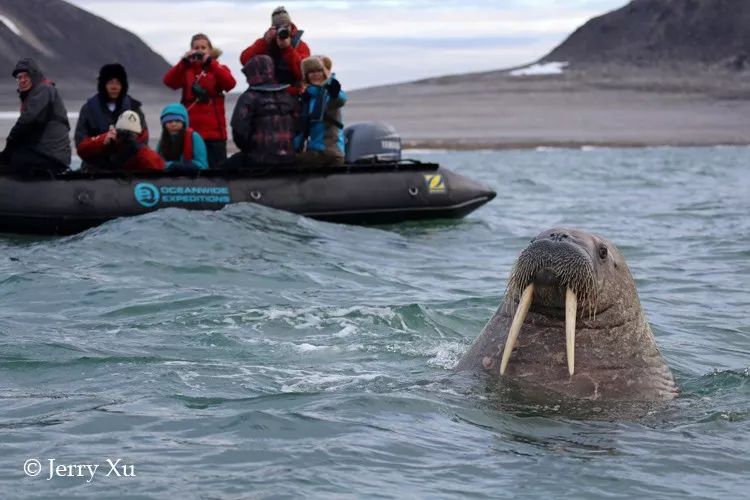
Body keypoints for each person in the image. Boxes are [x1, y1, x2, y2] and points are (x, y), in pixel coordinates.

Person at [163, 33, 236, 167]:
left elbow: (230, 84)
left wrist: (211, 63)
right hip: (191, 133)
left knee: (217, 172)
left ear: (210, 50)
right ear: (191, 50)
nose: (200, 50)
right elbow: (169, 82)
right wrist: (183, 62)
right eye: (196, 48)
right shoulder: (186, 71)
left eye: (203, 47)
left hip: (215, 134)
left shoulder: (218, 69)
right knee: (192, 170)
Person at [0, 58, 70, 175]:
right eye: (19, 77)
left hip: (50, 155)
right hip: (42, 152)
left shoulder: (44, 89)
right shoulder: (33, 95)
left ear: (35, 76)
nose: (22, 80)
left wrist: (10, 143)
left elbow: (27, 121)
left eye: (26, 76)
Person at [227, 55, 298, 167]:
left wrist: (250, 149)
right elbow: (298, 125)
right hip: (289, 157)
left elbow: (239, 130)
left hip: (258, 159)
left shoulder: (248, 97)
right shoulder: (287, 96)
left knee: (224, 167)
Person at [75, 63, 149, 172]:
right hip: (94, 170)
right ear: (103, 85)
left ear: (124, 85)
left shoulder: (134, 108)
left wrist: (125, 142)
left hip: (127, 170)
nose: (114, 87)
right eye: (110, 83)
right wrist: (102, 141)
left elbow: (143, 140)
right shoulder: (89, 109)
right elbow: (81, 144)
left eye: (118, 83)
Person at [239, 5, 310, 96]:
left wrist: (288, 49)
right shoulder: (265, 42)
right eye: (278, 27)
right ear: (273, 28)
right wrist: (264, 42)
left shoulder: (300, 46)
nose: (282, 30)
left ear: (291, 25)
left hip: (292, 92)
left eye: (286, 26)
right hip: (266, 92)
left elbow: (302, 72)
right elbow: (244, 60)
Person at [295, 56, 347, 167]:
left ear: (324, 72)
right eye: (310, 72)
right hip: (315, 151)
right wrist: (294, 148)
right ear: (306, 76)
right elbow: (302, 129)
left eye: (318, 71)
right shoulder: (307, 99)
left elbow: (340, 99)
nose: (315, 74)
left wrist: (331, 84)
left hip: (331, 152)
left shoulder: (330, 93)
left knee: (293, 161)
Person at [82, 110, 164, 172]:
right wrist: (102, 140)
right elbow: (83, 150)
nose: (126, 138)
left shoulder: (145, 155)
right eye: (122, 132)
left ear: (138, 134)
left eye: (130, 134)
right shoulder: (107, 146)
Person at [156, 103, 208, 170]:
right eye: (169, 121)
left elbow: (203, 165)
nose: (173, 124)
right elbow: (157, 162)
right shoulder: (162, 140)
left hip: (190, 177)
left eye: (177, 121)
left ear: (184, 122)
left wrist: (182, 166)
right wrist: (170, 165)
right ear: (164, 124)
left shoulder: (194, 137)